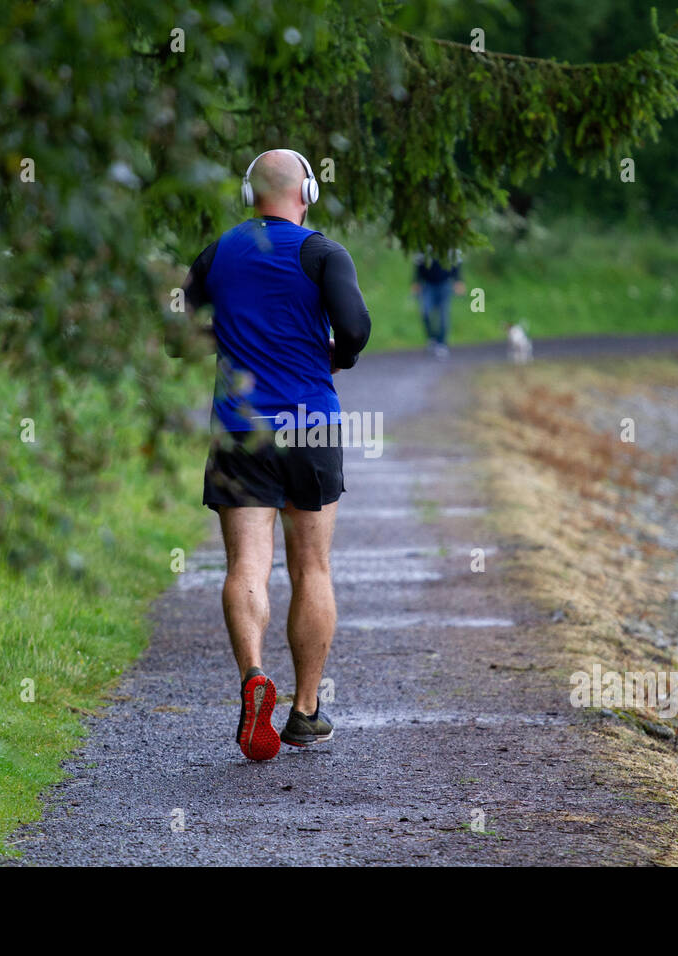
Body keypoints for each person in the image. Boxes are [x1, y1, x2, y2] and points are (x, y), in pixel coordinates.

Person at [179, 148, 371, 761]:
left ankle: (253, 678)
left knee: (247, 568)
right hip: (310, 427)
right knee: (311, 568)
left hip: (239, 431)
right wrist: (332, 357)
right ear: (307, 192)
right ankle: (305, 712)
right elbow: (356, 328)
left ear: (248, 192)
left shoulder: (217, 254)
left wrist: (232, 334)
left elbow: (174, 338)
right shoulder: (322, 252)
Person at [411, 248, 465, 359]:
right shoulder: (424, 244)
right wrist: (416, 281)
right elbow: (418, 264)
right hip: (428, 284)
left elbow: (457, 262)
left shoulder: (449, 242)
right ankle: (432, 338)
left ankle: (441, 343)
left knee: (443, 314)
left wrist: (458, 280)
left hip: (445, 283)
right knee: (425, 311)